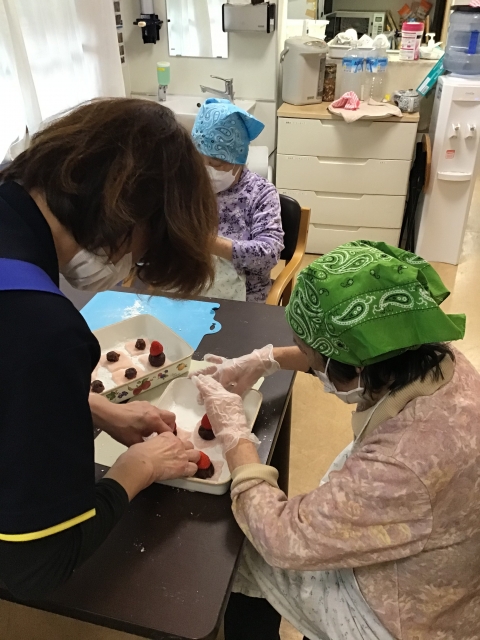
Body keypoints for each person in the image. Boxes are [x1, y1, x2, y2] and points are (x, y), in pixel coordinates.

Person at [192, 240, 480, 640]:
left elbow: (282, 540)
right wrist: (265, 359)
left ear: (356, 366)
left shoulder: (401, 462)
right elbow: (348, 351)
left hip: (405, 615)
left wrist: (234, 432)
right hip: (446, 551)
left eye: (309, 354)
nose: (307, 359)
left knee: (239, 548)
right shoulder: (431, 356)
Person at [0, 98, 219, 599]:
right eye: (138, 258)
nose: (125, 270)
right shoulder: (44, 330)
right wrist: (136, 469)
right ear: (127, 217)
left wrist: (91, 407)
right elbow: (35, 567)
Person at [191, 98, 284, 303]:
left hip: (242, 299)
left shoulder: (260, 193)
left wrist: (207, 243)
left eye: (216, 164)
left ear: (238, 161)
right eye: (199, 162)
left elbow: (269, 254)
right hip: (189, 287)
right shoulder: (187, 186)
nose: (206, 171)